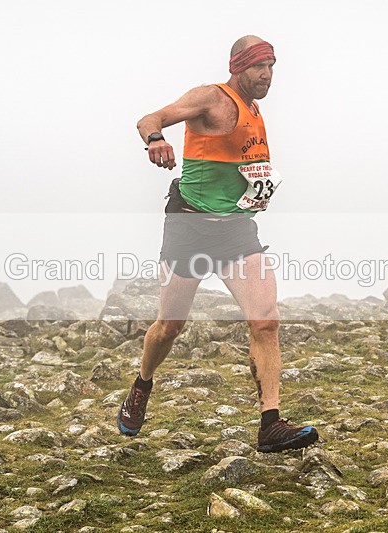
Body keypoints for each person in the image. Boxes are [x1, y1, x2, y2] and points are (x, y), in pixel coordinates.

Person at [118, 35, 319, 453]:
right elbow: (149, 118)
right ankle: (142, 385)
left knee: (266, 320)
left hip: (236, 231)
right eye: (259, 67)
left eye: (271, 68)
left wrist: (257, 191)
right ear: (237, 67)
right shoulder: (210, 97)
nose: (266, 76)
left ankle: (270, 423)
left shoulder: (255, 110)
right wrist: (156, 140)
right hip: (189, 227)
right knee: (170, 326)